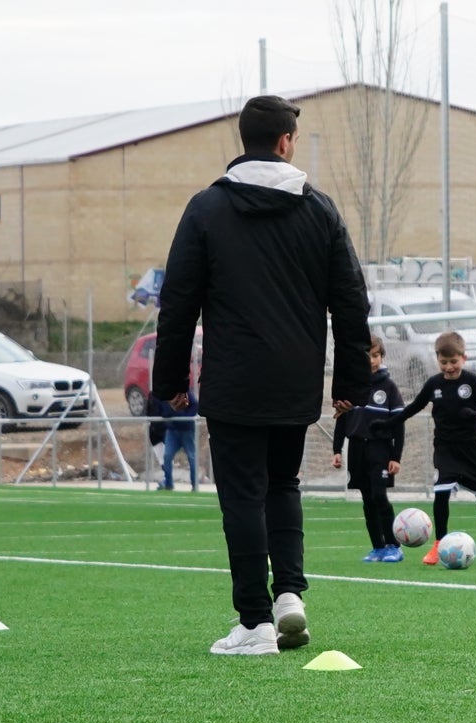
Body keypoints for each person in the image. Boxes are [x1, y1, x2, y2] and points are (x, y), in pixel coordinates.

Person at [152, 94, 371, 656]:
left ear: (245, 141)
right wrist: (349, 385)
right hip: (295, 379)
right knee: (283, 484)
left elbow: (177, 302)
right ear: (285, 142)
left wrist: (170, 380)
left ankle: (253, 623)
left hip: (234, 379)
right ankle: (289, 595)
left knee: (242, 496)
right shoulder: (319, 209)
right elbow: (350, 303)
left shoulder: (206, 209)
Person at [375, 331, 476, 566]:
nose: (449, 367)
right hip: (445, 450)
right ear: (437, 360)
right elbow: (413, 407)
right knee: (441, 495)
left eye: (453, 362)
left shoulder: (472, 382)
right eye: (443, 362)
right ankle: (439, 544)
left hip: (472, 451)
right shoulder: (434, 384)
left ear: (464, 358)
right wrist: (388, 423)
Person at [332, 335, 406, 562]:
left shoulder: (389, 387)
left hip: (380, 449)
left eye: (375, 356)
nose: (371, 361)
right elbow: (342, 421)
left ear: (381, 357)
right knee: (367, 500)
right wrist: (336, 450)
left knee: (379, 496)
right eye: (366, 357)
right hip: (356, 449)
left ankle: (394, 546)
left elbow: (399, 425)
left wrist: (396, 457)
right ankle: (378, 547)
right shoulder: (352, 387)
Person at [159, 388, 198, 490]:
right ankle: (168, 484)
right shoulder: (166, 394)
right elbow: (164, 412)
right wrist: (174, 413)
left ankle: (195, 485)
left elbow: (194, 405)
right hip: (172, 431)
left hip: (187, 431)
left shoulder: (185, 392)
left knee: (191, 457)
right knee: (167, 456)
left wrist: (186, 419)